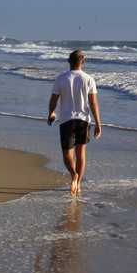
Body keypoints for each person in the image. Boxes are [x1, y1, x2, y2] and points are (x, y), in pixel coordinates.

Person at [46, 50, 102, 196]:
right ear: (82, 62)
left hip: (67, 120)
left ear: (68, 61)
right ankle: (78, 183)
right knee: (81, 154)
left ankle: (73, 175)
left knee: (67, 154)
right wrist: (98, 123)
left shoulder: (61, 78)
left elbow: (54, 100)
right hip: (84, 120)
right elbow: (94, 103)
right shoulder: (89, 79)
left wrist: (51, 112)